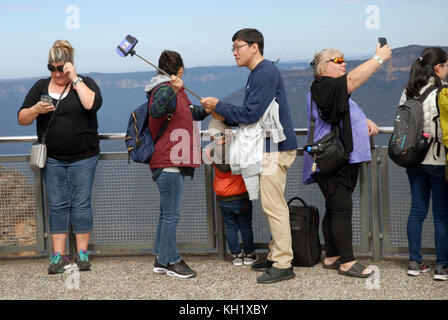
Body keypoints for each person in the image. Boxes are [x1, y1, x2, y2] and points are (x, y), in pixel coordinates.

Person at [201, 28, 298, 284]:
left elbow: (251, 113)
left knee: (274, 207)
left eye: (238, 46)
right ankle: (276, 253)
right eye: (232, 48)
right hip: (270, 147)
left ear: (255, 46)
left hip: (274, 148)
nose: (235, 52)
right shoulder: (260, 73)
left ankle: (283, 263)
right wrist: (223, 112)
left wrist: (219, 105)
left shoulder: (264, 72)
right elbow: (250, 114)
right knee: (271, 204)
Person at [303, 43, 391, 278]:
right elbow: (351, 82)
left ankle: (332, 256)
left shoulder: (329, 90)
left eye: (344, 61)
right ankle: (348, 263)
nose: (344, 65)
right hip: (332, 160)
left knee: (334, 208)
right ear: (322, 68)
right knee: (342, 210)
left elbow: (341, 112)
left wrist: (365, 119)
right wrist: (378, 59)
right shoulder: (323, 86)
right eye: (338, 62)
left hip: (340, 159)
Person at [18, 40, 103, 274]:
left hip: (84, 156)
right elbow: (22, 118)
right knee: (57, 205)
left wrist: (74, 78)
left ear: (70, 65)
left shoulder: (85, 83)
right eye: (52, 68)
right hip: (53, 158)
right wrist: (36, 109)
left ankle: (82, 254)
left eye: (60, 68)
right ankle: (58, 255)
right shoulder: (40, 87)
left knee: (81, 204)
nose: (56, 73)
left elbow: (91, 104)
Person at [147, 50, 210, 279]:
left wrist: (208, 110)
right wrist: (172, 90)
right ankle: (172, 260)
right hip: (169, 162)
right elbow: (155, 109)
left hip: (170, 160)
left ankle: (160, 258)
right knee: (171, 215)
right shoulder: (164, 89)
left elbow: (188, 114)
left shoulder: (177, 90)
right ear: (180, 69)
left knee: (166, 214)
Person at [399, 47, 448, 281]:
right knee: (441, 214)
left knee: (417, 210)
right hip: (437, 160)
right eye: (446, 66)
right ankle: (441, 266)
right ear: (438, 68)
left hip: (414, 160)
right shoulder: (444, 92)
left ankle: (414, 262)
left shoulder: (409, 91)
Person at [204, 118, 258, 267]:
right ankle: (249, 254)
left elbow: (206, 160)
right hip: (240, 194)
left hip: (222, 196)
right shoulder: (237, 148)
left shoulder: (210, 150)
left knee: (230, 226)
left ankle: (236, 255)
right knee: (245, 225)